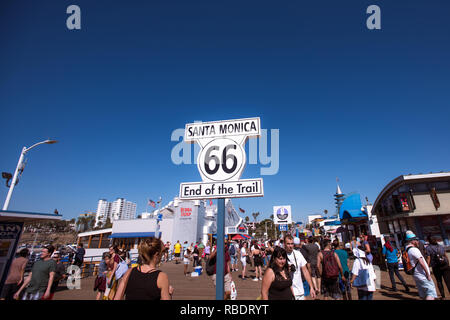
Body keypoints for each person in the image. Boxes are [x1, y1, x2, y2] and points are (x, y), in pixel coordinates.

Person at [405, 232, 437, 300]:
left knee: (423, 294)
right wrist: (428, 274)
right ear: (412, 241)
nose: (418, 241)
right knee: (431, 293)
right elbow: (421, 262)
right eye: (416, 240)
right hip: (422, 275)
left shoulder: (407, 249)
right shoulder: (414, 250)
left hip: (416, 274)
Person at [284, 235, 315, 300]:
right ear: (284, 244)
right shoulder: (281, 255)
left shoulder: (298, 254)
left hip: (299, 290)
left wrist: (311, 287)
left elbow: (305, 271)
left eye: (292, 244)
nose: (290, 246)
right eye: (288, 244)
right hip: (287, 291)